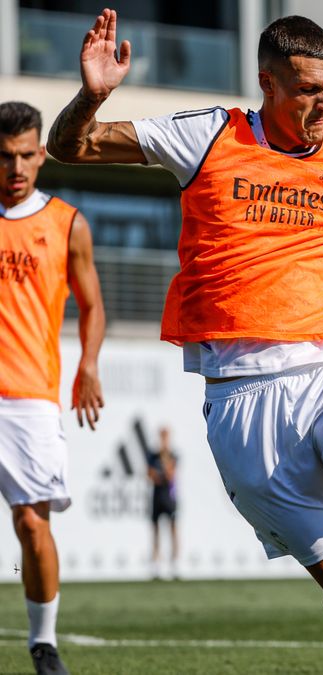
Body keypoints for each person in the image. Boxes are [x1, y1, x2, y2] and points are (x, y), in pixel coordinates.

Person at [48, 11, 323, 675]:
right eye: (308, 90)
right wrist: (92, 95)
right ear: (268, 83)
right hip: (242, 398)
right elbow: (71, 148)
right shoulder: (207, 135)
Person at [0, 100, 106, 675]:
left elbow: (91, 306)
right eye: (3, 157)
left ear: (41, 154)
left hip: (29, 398)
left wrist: (88, 364)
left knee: (32, 522)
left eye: (24, 156)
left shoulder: (68, 223)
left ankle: (43, 645)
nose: (15, 168)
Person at [147, 426, 179, 580]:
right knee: (156, 531)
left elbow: (170, 475)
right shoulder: (153, 455)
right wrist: (159, 474)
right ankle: (156, 565)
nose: (163, 439)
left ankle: (174, 564)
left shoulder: (173, 455)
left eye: (166, 436)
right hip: (157, 497)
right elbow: (151, 475)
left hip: (169, 498)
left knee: (173, 530)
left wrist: (164, 463)